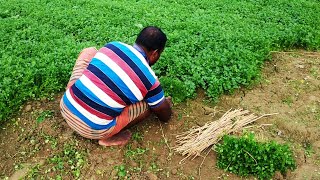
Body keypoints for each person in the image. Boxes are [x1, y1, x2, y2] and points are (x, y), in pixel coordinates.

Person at [60, 26, 172, 146]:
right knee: (151, 104)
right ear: (155, 53)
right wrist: (165, 105)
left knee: (90, 52)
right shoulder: (150, 80)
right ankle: (109, 135)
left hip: (65, 107)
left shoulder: (112, 46)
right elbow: (164, 115)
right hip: (93, 130)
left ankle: (77, 94)